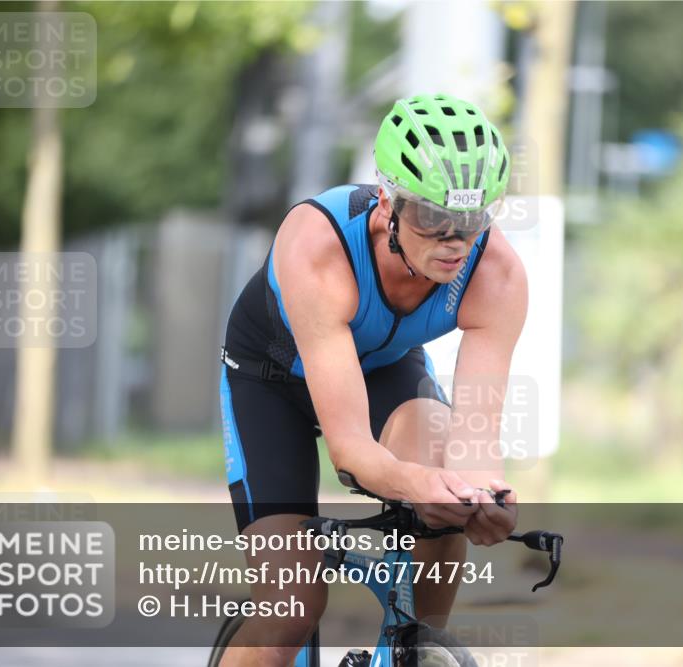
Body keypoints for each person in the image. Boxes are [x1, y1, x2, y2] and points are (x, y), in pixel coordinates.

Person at [218, 93, 528, 667]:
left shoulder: (498, 275)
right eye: (435, 218)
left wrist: (482, 497)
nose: (455, 241)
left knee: (445, 471)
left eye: (472, 218)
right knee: (290, 609)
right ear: (388, 202)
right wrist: (418, 487)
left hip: (383, 368)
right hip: (270, 381)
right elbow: (352, 450)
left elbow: (477, 439)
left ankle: (414, 647)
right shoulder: (319, 246)